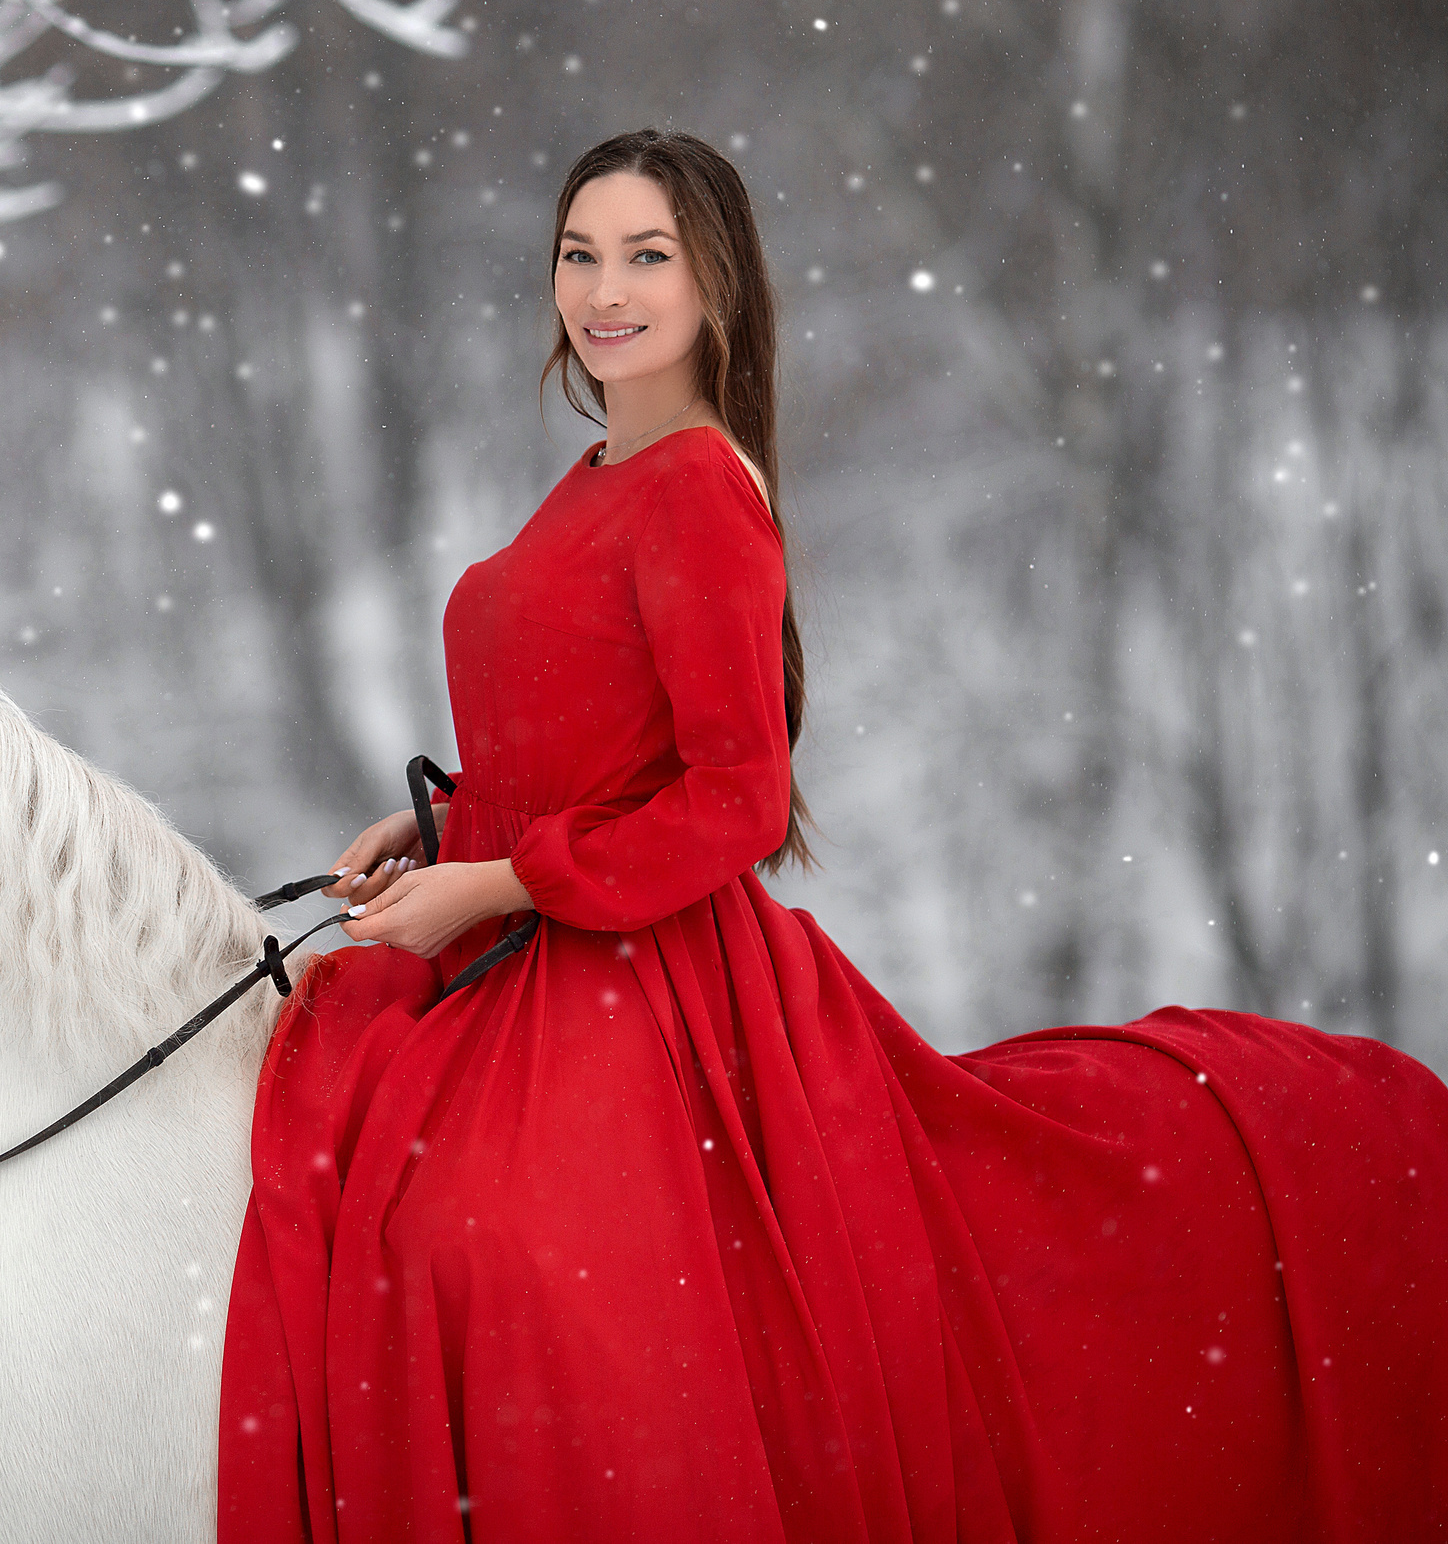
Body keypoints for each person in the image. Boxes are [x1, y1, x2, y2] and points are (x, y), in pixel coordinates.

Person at [215, 129, 1448, 1543]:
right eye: (579, 254)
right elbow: (584, 733)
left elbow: (733, 799)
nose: (603, 290)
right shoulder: (599, 473)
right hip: (517, 926)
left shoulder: (695, 487)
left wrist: (505, 875)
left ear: (717, 284)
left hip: (632, 971)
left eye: (647, 257)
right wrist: (446, 836)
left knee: (485, 1247)